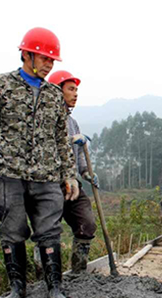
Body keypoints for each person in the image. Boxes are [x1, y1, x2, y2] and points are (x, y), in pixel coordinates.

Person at [0, 27, 78, 298]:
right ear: (26, 54)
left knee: (50, 230)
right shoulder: (0, 86)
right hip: (8, 172)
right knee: (12, 229)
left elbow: (61, 139)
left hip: (46, 174)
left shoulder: (55, 95)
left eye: (52, 61)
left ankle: (55, 288)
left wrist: (69, 174)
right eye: (44, 58)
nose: (49, 65)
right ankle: (17, 287)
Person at [29, 69, 98, 274]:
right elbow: (43, 147)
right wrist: (68, 140)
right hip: (49, 184)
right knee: (47, 232)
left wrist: (86, 172)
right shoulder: (43, 116)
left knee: (87, 224)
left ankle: (78, 272)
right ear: (57, 91)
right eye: (70, 89)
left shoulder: (72, 122)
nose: (75, 94)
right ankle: (44, 276)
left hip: (73, 185)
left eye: (76, 90)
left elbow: (78, 156)